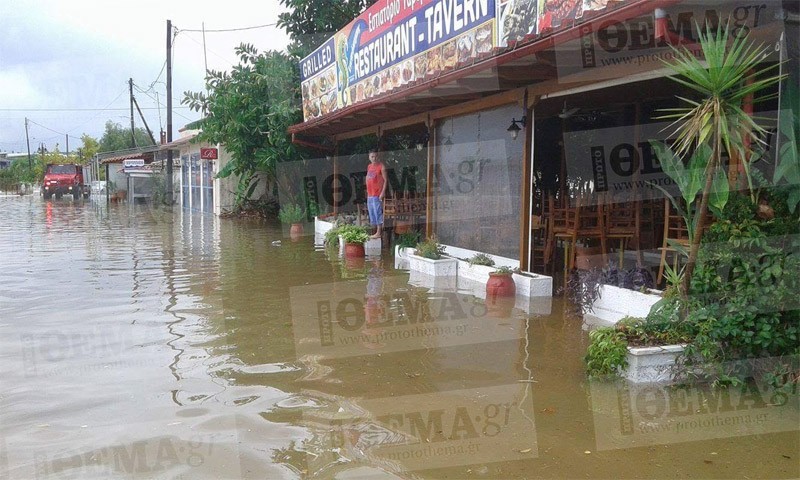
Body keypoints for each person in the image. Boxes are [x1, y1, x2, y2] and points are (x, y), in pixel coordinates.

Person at [365, 149, 388, 239]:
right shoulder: (369, 166)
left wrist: (382, 192)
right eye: (372, 157)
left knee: (377, 212)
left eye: (375, 156)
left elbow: (386, 180)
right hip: (370, 194)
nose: (374, 158)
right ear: (369, 157)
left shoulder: (381, 166)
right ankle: (374, 232)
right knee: (372, 213)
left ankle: (379, 232)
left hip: (377, 194)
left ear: (378, 157)